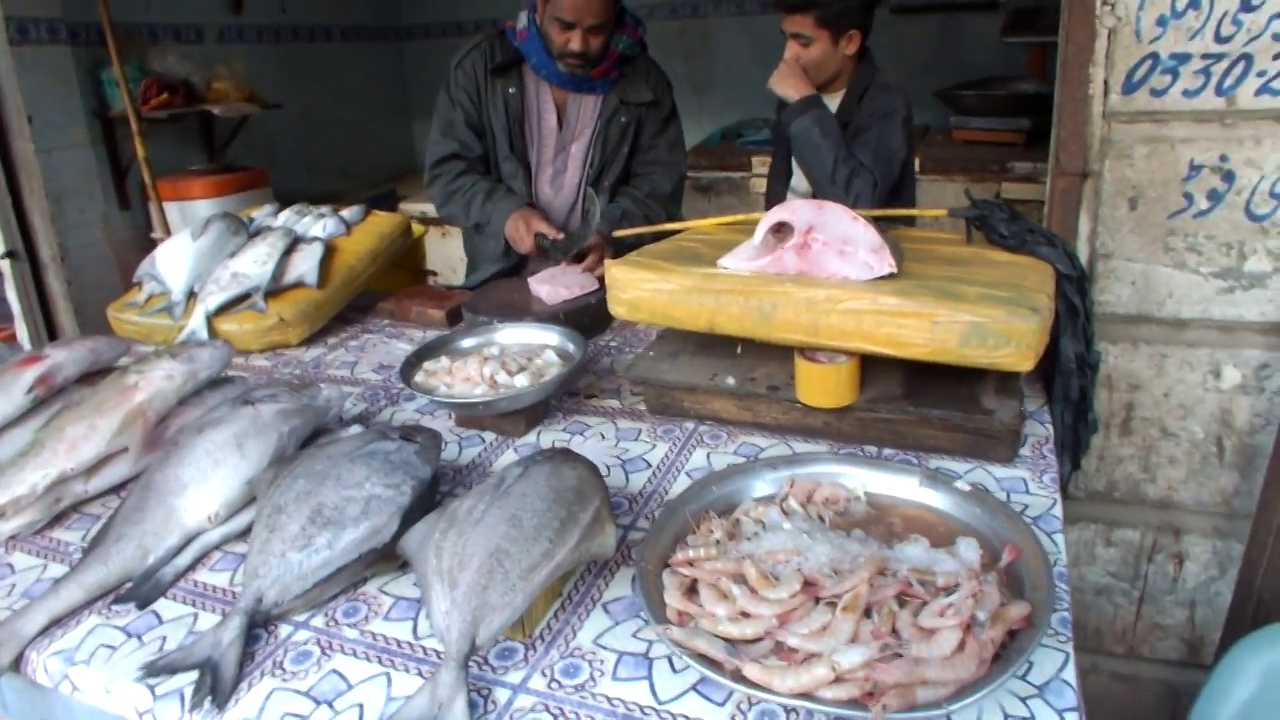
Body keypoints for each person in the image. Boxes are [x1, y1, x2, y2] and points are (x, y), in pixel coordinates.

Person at [423, 0, 687, 286]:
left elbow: (659, 187)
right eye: (565, 27)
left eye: (596, 31)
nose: (578, 45)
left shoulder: (645, 82)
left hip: (610, 285)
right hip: (502, 285)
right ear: (540, 7)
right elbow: (448, 173)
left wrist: (609, 232)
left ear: (615, 16)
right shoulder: (481, 70)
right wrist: (506, 214)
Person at [763, 0, 915, 212]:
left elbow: (857, 205)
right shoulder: (792, 97)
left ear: (849, 42)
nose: (788, 56)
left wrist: (805, 105)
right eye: (787, 38)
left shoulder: (886, 104)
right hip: (793, 239)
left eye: (804, 43)